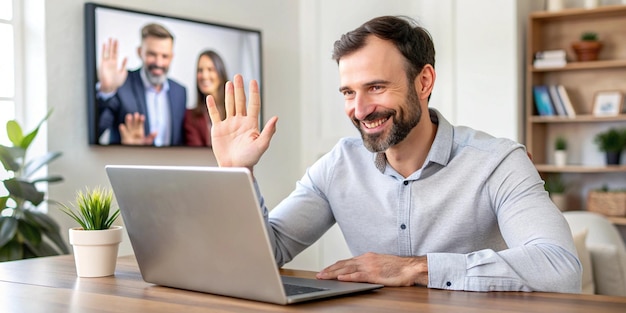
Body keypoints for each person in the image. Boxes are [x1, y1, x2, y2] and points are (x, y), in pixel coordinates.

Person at [206, 16, 581, 293]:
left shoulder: (497, 161)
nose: (360, 109)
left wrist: (416, 268)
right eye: (348, 93)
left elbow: (560, 267)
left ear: (424, 81)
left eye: (376, 87)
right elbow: (267, 253)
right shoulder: (340, 164)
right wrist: (237, 175)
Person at [96, 23, 187, 146]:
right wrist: (106, 91)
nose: (158, 63)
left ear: (171, 57)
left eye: (164, 56)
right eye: (152, 54)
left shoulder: (180, 92)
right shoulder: (121, 84)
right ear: (140, 52)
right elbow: (95, 132)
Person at [184, 50, 228, 147]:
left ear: (220, 74)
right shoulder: (190, 116)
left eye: (210, 69)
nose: (204, 76)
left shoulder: (235, 113)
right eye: (200, 70)